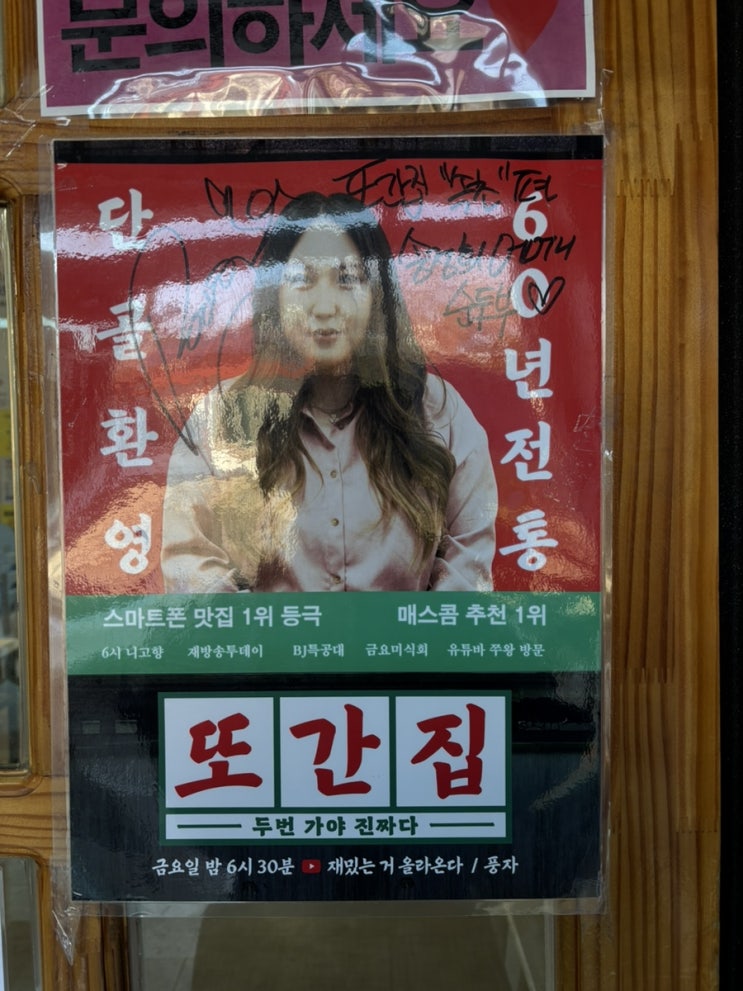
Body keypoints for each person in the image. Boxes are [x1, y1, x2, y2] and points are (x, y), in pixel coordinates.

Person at [161, 192, 497, 593]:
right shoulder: (221, 418)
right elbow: (192, 569)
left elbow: (468, 571)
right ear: (274, 295)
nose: (324, 307)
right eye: (302, 280)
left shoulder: (437, 411)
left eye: (347, 279)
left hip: (405, 637)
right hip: (275, 638)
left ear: (378, 294)